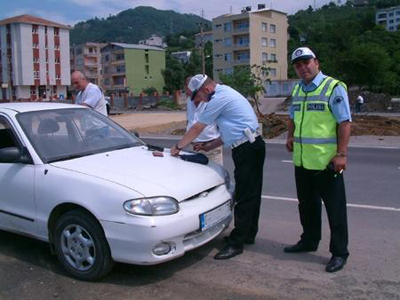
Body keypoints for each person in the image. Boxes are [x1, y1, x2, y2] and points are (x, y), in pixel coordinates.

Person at [171, 74, 266, 260]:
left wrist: (177, 147)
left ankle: (237, 242)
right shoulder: (223, 94)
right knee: (251, 194)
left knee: (245, 196)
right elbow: (231, 131)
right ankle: (248, 234)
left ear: (206, 89)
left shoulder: (218, 98)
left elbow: (197, 128)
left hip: (248, 148)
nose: (199, 100)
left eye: (198, 96)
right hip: (248, 145)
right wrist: (208, 146)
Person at [285, 47, 351, 273]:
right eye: (297, 65)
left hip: (326, 162)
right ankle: (309, 240)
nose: (302, 67)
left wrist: (341, 154)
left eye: (306, 62)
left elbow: (345, 122)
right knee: (307, 206)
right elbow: (292, 116)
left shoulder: (333, 87)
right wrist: (290, 135)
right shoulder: (297, 89)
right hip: (302, 161)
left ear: (317, 63)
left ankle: (339, 252)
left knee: (335, 209)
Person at [184, 77, 223, 165]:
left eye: (191, 94)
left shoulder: (213, 100)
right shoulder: (189, 101)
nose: (190, 97)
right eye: (188, 94)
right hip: (192, 147)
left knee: (216, 176)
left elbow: (198, 127)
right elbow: (190, 120)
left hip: (211, 148)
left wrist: (178, 147)